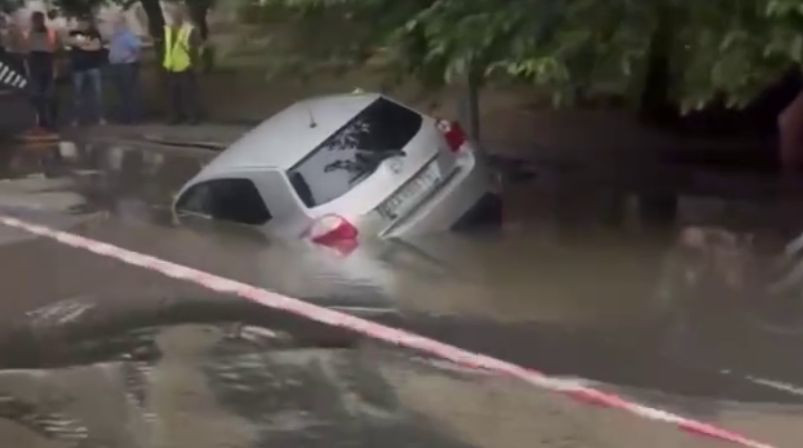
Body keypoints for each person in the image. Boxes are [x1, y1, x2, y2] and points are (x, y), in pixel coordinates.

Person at [163, 6, 201, 125]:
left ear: (181, 15)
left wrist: (194, 63)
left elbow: (196, 47)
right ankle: (174, 117)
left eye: (175, 14)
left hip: (185, 66)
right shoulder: (168, 30)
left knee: (188, 94)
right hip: (172, 66)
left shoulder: (189, 29)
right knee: (173, 95)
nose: (173, 17)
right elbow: (167, 48)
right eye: (172, 15)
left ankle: (191, 117)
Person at [23, 11, 60, 130]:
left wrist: (56, 67)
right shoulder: (28, 33)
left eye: (39, 20)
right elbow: (25, 50)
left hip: (48, 64)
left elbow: (58, 49)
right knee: (36, 95)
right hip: (35, 66)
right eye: (35, 20)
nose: (37, 22)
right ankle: (42, 120)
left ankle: (52, 121)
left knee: (50, 95)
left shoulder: (51, 32)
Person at [68, 16, 106, 126]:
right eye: (80, 22)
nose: (82, 24)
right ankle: (77, 118)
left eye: (84, 22)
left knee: (97, 94)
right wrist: (87, 44)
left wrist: (82, 45)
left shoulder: (95, 33)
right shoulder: (73, 33)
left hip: (93, 67)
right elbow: (71, 43)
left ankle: (100, 117)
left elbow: (96, 47)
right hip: (78, 69)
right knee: (77, 95)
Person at [108, 15, 142, 123]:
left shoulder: (128, 35)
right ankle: (124, 117)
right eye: (114, 24)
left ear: (123, 23)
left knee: (129, 92)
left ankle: (133, 117)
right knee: (121, 93)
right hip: (116, 65)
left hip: (127, 66)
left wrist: (128, 59)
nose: (114, 26)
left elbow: (137, 49)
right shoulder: (115, 36)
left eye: (117, 23)